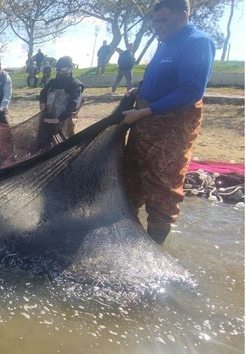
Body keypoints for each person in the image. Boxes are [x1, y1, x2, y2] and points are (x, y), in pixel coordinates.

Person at [120, 0, 215, 244]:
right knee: (132, 179)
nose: (157, 26)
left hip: (170, 132)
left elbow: (191, 90)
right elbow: (162, 79)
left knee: (162, 187)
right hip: (145, 125)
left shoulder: (197, 43)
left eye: (163, 20)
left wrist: (145, 112)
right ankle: (128, 239)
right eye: (155, 21)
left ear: (183, 16)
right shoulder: (166, 44)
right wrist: (139, 90)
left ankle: (155, 247)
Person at [36, 56, 84, 153]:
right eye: (59, 70)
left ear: (70, 68)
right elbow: (43, 93)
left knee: (63, 140)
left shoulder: (75, 84)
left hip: (65, 118)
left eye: (64, 70)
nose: (61, 72)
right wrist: (42, 102)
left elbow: (74, 105)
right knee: (45, 139)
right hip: (49, 116)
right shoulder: (52, 82)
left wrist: (59, 119)